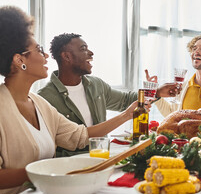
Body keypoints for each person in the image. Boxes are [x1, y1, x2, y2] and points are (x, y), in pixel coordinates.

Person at [0, 6, 137, 194]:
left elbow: (79, 136)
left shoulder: (40, 104)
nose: (46, 56)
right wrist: (46, 172)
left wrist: (125, 115)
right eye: (39, 50)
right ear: (19, 60)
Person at [38, 33, 177, 156]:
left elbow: (126, 101)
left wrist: (157, 92)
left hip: (102, 159)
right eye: (83, 49)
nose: (91, 53)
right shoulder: (44, 98)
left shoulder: (96, 85)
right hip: (70, 167)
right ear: (66, 56)